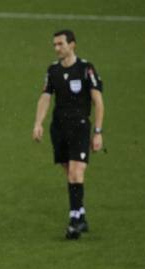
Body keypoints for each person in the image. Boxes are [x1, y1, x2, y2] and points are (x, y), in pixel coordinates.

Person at [32, 29, 105, 239]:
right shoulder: (53, 71)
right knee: (70, 174)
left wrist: (97, 132)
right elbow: (45, 97)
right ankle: (81, 214)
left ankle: (74, 220)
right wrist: (38, 123)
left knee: (76, 173)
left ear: (72, 45)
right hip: (59, 129)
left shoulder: (85, 68)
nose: (57, 48)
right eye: (54, 45)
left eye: (60, 44)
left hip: (80, 127)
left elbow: (98, 102)